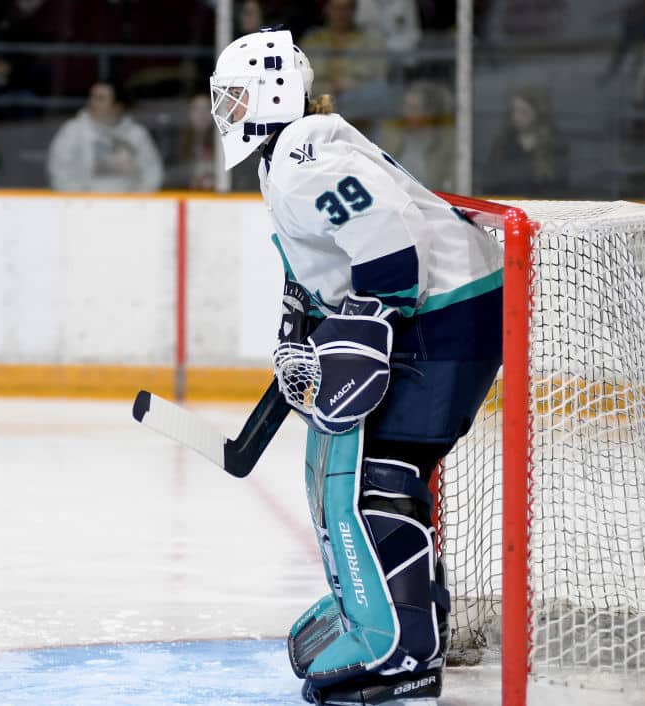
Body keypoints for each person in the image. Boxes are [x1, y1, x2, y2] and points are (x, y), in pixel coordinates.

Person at [210, 29, 503, 705]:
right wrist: (298, 332)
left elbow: (392, 248)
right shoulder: (289, 155)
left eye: (234, 97)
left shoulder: (301, 159)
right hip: (449, 308)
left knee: (373, 472)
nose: (224, 112)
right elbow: (317, 261)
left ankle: (400, 650)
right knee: (366, 465)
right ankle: (404, 620)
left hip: (447, 314)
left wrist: (367, 325)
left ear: (269, 93)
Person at [46, 82, 163, 193]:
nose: (92, 102)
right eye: (92, 97)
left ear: (118, 106)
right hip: (83, 207)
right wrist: (81, 202)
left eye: (100, 98)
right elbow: (59, 170)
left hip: (129, 208)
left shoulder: (136, 134)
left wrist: (137, 201)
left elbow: (152, 171)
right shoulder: (73, 131)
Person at [482, 86, 568, 197]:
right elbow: (490, 180)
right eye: (514, 111)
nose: (516, 117)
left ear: (537, 113)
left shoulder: (554, 145)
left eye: (523, 112)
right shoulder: (504, 144)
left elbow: (560, 184)